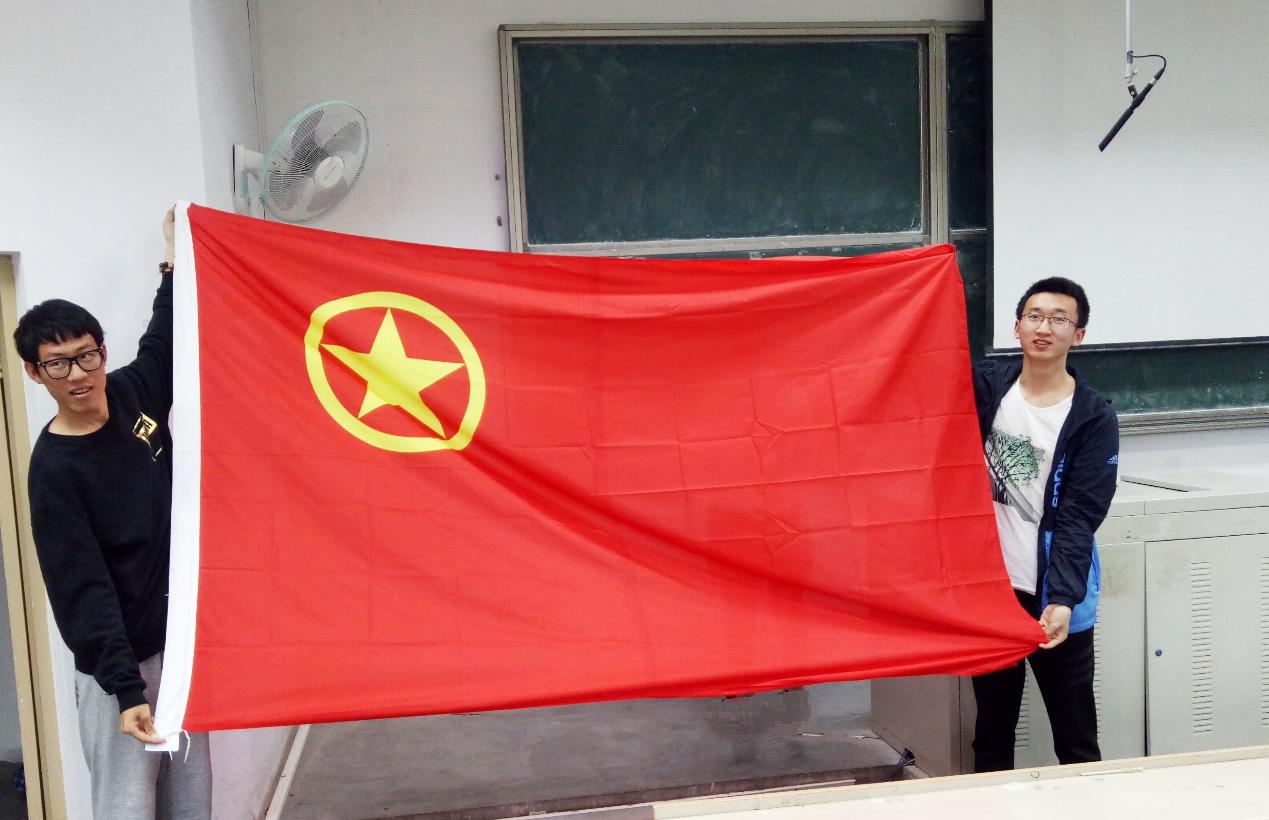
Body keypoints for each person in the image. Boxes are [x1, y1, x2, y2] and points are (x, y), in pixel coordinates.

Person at [15, 210, 212, 818]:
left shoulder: (132, 393)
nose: (78, 374)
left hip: (179, 653)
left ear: (102, 352)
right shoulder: (56, 471)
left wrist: (173, 257)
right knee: (127, 809)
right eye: (58, 363)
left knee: (191, 804)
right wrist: (127, 690)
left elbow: (164, 337)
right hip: (118, 670)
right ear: (35, 373)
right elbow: (83, 592)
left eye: (86, 356)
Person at [970, 276, 1119, 772]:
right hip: (994, 592)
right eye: (1034, 316)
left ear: (1078, 335)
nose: (1044, 328)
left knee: (1076, 738)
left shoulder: (1092, 417)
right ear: (1016, 327)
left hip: (1055, 592)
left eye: (1059, 319)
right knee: (991, 733)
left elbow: (1080, 517)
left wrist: (1062, 599)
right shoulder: (988, 388)